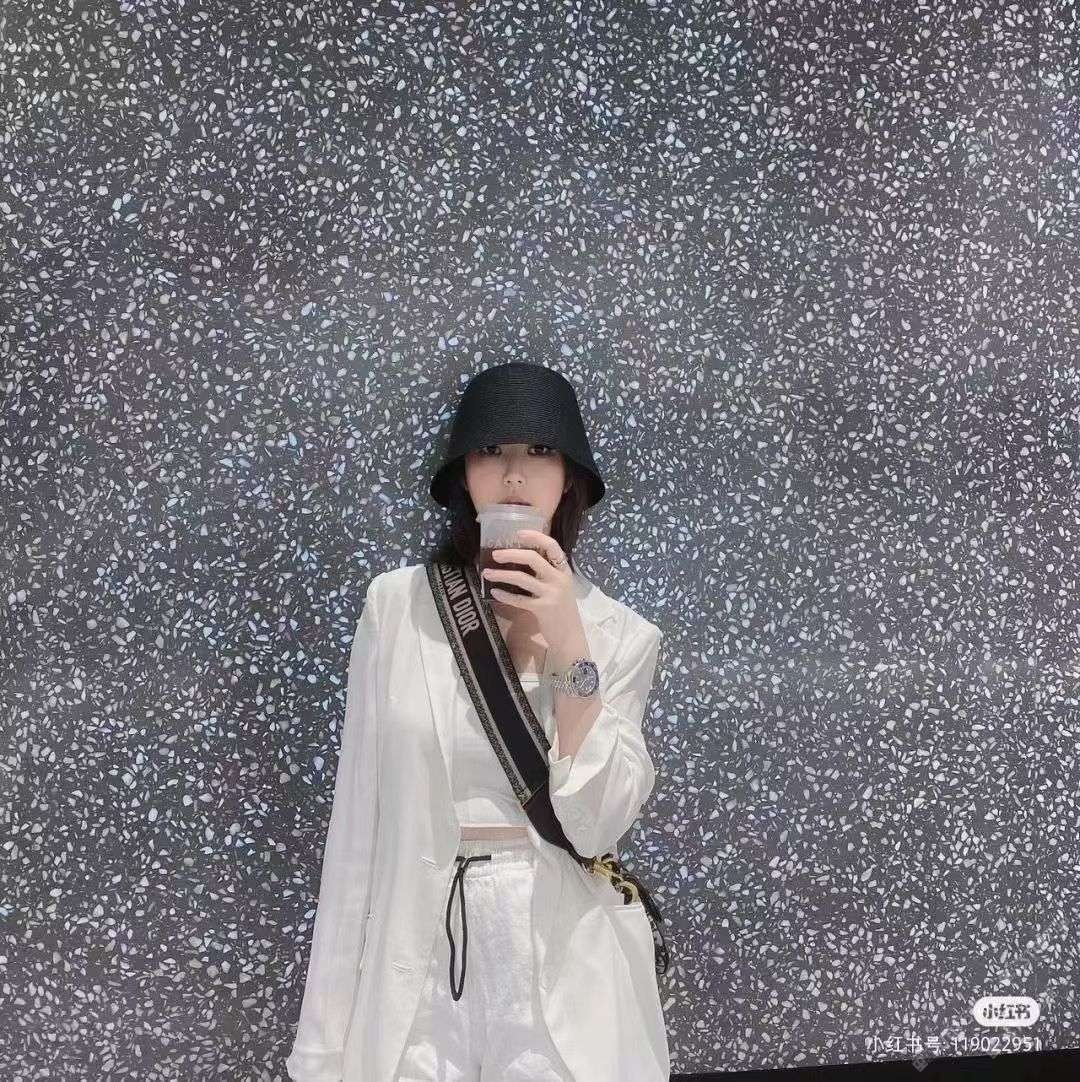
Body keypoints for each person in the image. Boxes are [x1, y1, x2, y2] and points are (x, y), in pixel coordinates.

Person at [285, 361, 669, 1082]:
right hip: (420, 956)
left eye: (539, 451)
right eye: (491, 450)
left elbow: (597, 824)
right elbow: (357, 827)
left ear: (569, 479)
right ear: (464, 473)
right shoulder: (397, 607)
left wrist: (568, 640)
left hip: (563, 962)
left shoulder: (620, 634)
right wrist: (322, 1048)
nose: (514, 475)